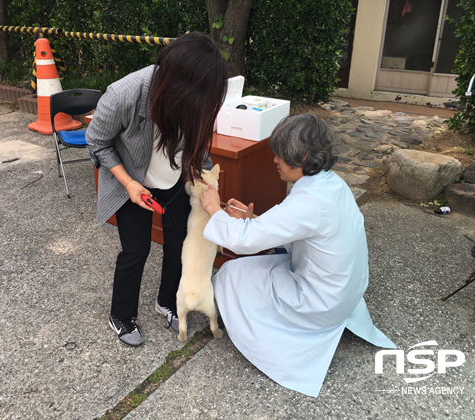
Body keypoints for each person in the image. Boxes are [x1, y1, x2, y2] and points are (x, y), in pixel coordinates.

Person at [199, 113, 396, 397]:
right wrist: (254, 218)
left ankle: (272, 339)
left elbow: (244, 241)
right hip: (343, 293)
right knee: (260, 266)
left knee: (231, 273)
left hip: (320, 304)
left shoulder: (309, 200)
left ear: (302, 157)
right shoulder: (332, 184)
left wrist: (212, 209)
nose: (275, 160)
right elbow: (295, 229)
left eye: (280, 154)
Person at [86, 32, 228, 347]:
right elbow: (96, 142)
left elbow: (198, 148)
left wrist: (210, 183)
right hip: (132, 181)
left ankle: (166, 302)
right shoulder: (124, 94)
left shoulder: (193, 98)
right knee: (136, 250)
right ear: (175, 82)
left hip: (173, 180)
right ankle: (121, 315)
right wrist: (129, 183)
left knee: (179, 243)